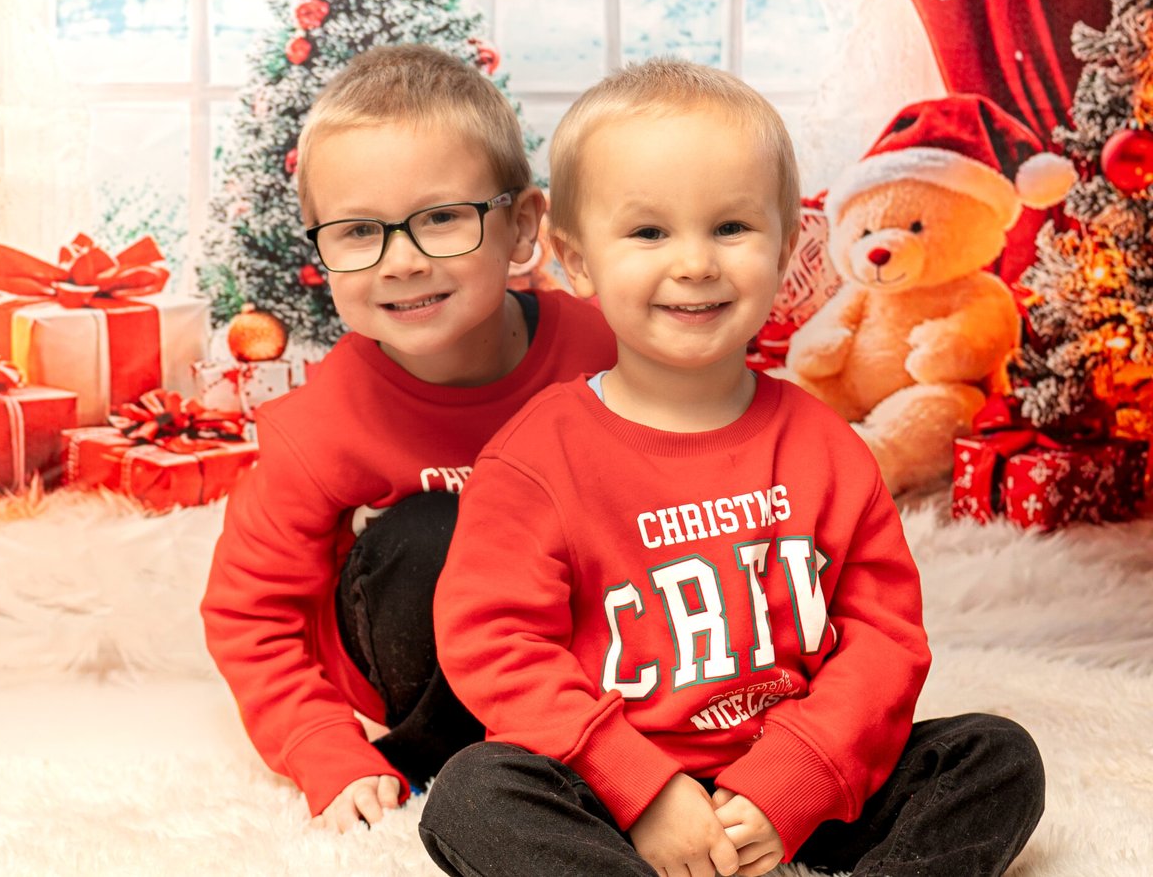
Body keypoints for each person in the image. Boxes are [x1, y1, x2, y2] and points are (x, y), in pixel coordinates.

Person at [421, 58, 1045, 877]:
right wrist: (643, 789)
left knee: (996, 757)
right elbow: (498, 643)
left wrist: (791, 782)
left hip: (799, 781)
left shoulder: (825, 446)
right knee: (472, 794)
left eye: (730, 227)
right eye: (649, 232)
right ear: (577, 259)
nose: (695, 263)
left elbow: (884, 640)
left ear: (786, 249)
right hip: (611, 795)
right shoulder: (537, 456)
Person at [200, 44, 618, 834]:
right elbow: (249, 611)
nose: (402, 261)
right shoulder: (322, 423)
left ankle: (605, 727)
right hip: (422, 660)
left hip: (587, 639)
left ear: (522, 226)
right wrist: (323, 744)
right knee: (440, 529)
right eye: (359, 231)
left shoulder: (608, 355)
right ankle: (463, 757)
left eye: (441, 218)